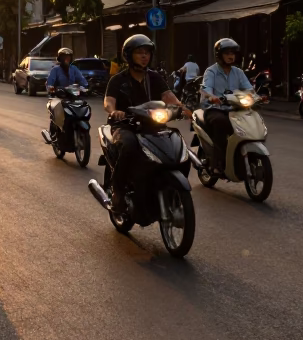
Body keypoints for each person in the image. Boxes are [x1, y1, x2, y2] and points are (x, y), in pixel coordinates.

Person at [102, 34, 192, 210]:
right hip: (125, 126)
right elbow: (108, 101)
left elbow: (169, 97)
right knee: (128, 146)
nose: (144, 56)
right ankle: (118, 192)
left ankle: (173, 190)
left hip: (152, 125)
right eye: (139, 52)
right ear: (129, 55)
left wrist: (185, 110)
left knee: (180, 148)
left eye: (147, 53)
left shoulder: (155, 78)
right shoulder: (118, 79)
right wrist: (115, 112)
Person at [199, 38, 253, 171]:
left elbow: (249, 89)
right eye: (227, 53)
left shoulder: (238, 72)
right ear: (219, 55)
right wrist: (212, 97)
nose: (231, 56)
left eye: (233, 53)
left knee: (250, 121)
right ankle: (218, 161)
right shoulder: (211, 71)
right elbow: (206, 89)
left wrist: (255, 96)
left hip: (235, 108)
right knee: (220, 122)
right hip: (214, 109)